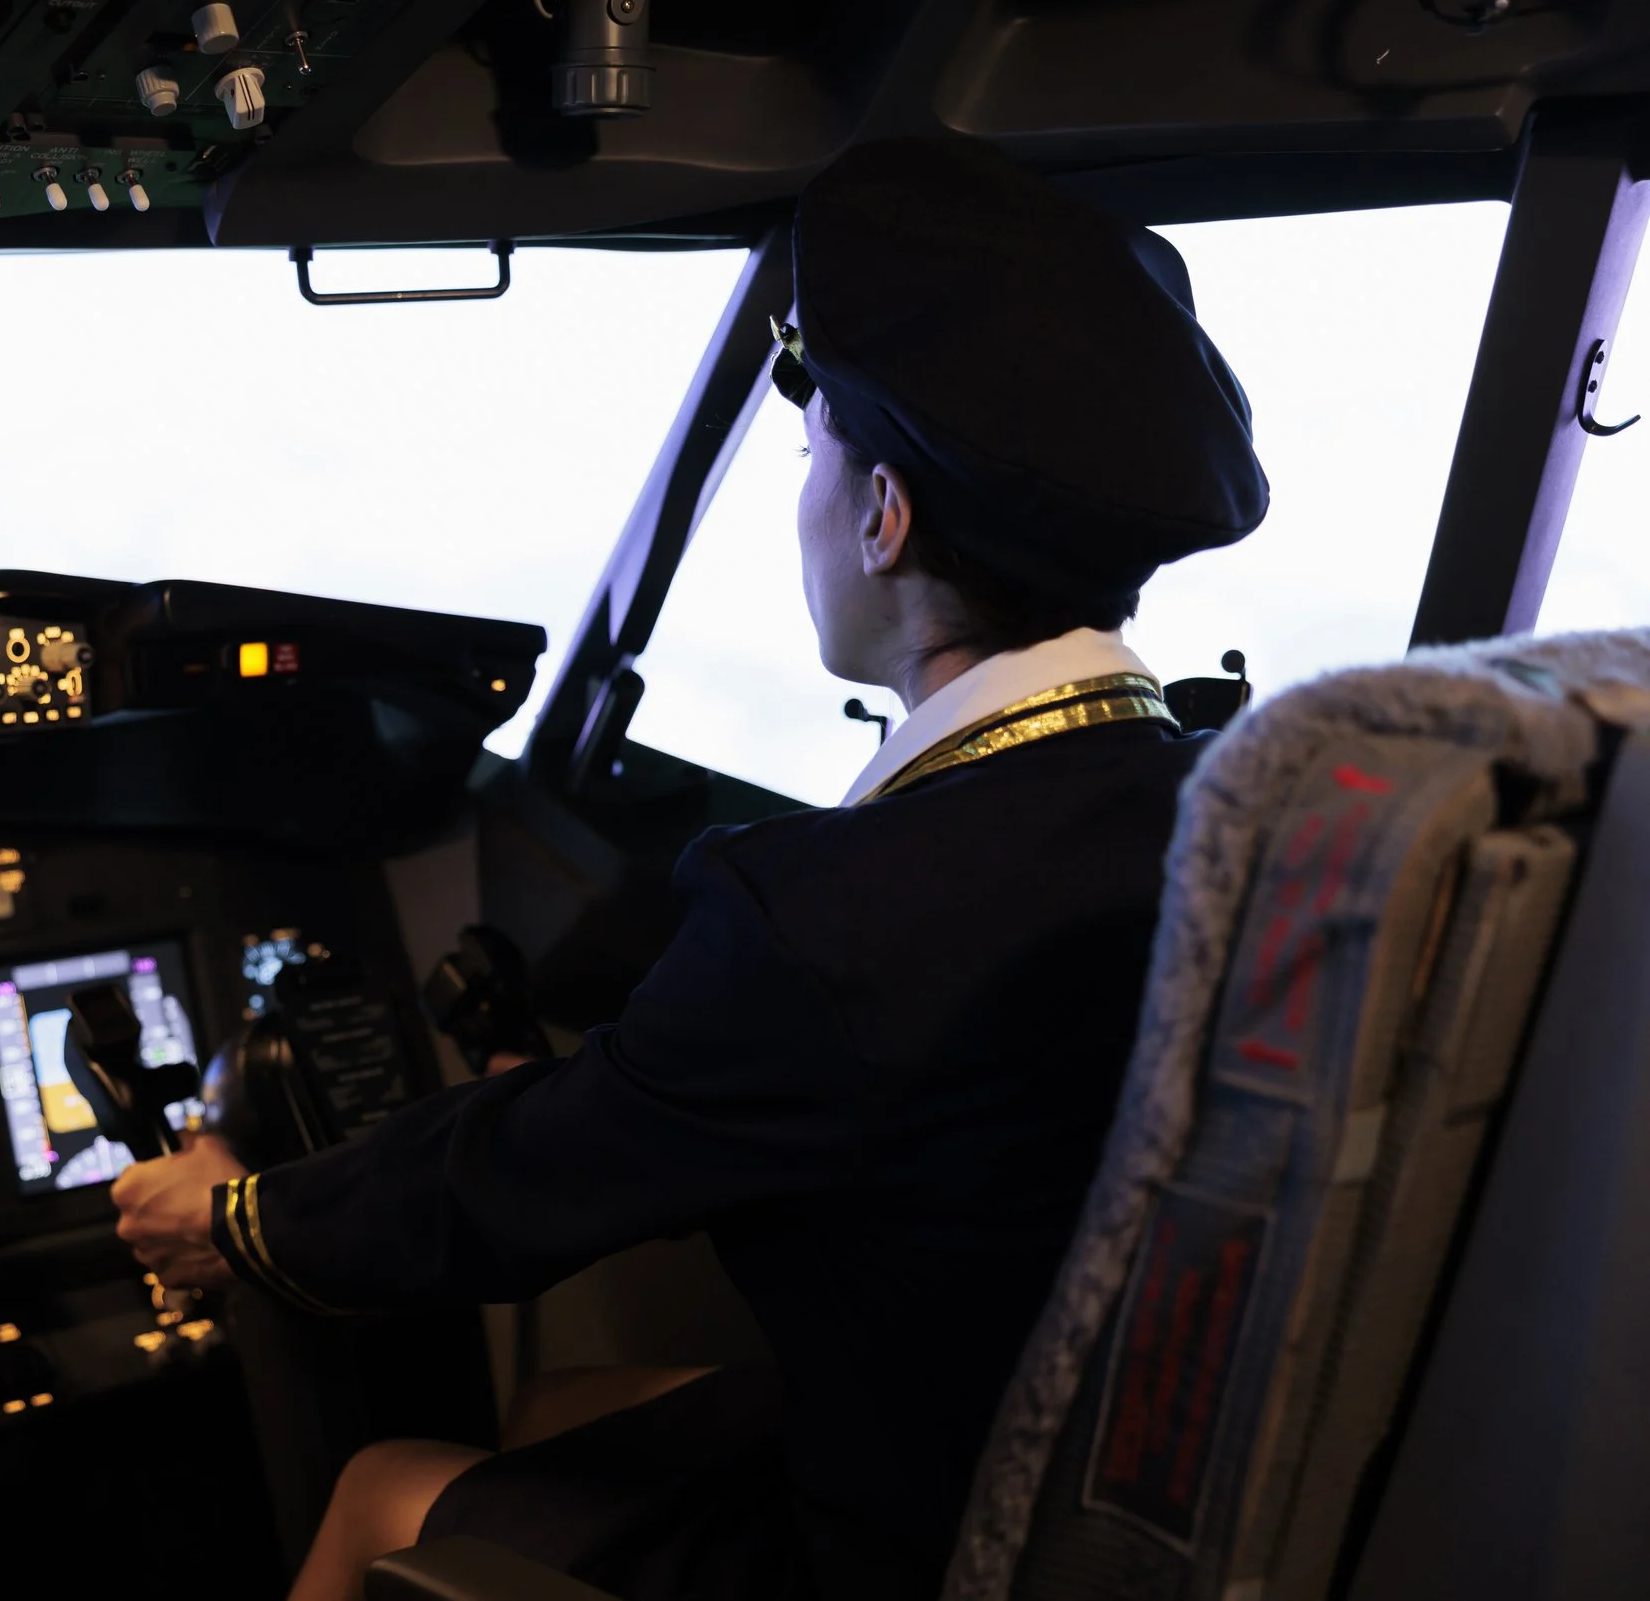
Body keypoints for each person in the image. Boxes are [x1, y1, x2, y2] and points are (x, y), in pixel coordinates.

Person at [112, 134, 1271, 1601]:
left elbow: (510, 1188)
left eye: (813, 458)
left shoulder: (837, 916)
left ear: (882, 514)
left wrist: (239, 1218)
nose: (809, 503)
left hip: (932, 1549)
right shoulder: (1235, 805)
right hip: (1101, 1494)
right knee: (555, 1414)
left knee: (377, 1493)